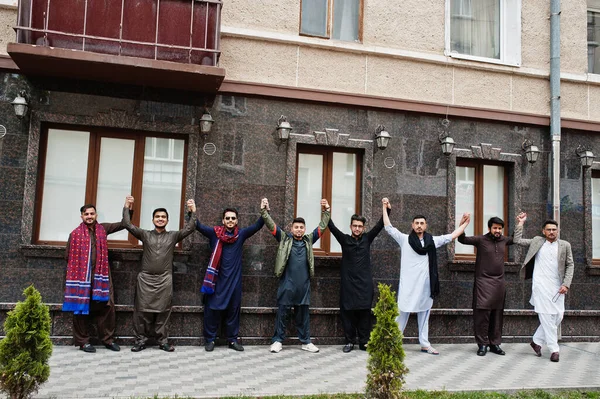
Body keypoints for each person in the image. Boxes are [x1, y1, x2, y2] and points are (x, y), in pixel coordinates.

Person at [383, 198, 469, 355]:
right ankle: (394, 342)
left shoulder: (432, 241)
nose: (419, 226)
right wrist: (384, 207)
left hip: (425, 285)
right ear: (412, 225)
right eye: (416, 223)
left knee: (424, 314)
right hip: (408, 286)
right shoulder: (404, 240)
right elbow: (388, 227)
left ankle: (424, 343)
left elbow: (451, 236)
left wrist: (464, 224)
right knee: (402, 312)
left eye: (422, 223)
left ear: (426, 225)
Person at [122, 195, 197, 352]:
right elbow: (128, 225)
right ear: (153, 219)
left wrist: (193, 212)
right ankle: (140, 340)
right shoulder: (145, 234)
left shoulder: (173, 236)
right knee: (141, 312)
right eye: (157, 216)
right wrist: (127, 207)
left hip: (164, 279)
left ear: (167, 221)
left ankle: (162, 341)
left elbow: (190, 228)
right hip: (145, 280)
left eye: (163, 217)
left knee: (163, 312)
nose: (160, 219)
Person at [261, 197, 330, 353]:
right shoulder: (284, 238)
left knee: (303, 315)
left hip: (303, 285)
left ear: (304, 229)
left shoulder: (309, 240)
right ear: (291, 229)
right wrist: (264, 211)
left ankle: (305, 341)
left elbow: (322, 227)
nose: (299, 229)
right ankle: (278, 340)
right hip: (287, 283)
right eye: (296, 227)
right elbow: (271, 225)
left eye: (301, 227)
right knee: (282, 312)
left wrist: (327, 211)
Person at [63, 203, 132, 353]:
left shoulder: (103, 229)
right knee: (80, 308)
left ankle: (107, 340)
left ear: (96, 215)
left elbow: (124, 224)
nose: (89, 216)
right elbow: (68, 256)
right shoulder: (74, 234)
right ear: (81, 216)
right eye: (86, 214)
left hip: (102, 276)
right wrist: (82, 272)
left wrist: (128, 208)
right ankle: (83, 342)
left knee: (107, 305)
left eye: (92, 214)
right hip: (81, 278)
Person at [196, 203, 264, 352]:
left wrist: (264, 210)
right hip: (216, 281)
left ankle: (232, 340)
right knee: (212, 310)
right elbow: (198, 226)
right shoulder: (214, 233)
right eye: (228, 218)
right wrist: (191, 212)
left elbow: (258, 225)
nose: (230, 220)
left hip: (234, 282)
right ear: (223, 220)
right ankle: (210, 340)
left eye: (233, 218)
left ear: (237, 221)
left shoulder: (241, 235)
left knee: (233, 311)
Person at [513, 214, 574, 363]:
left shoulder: (565, 245)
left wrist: (566, 284)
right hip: (540, 285)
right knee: (547, 316)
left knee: (558, 315)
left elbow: (570, 265)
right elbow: (517, 240)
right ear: (543, 231)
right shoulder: (537, 241)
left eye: (554, 229)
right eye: (549, 230)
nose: (552, 232)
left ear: (558, 231)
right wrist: (520, 223)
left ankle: (536, 341)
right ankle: (554, 350)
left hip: (558, 286)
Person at [328, 207, 389, 353]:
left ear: (364, 228)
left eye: (360, 226)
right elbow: (331, 226)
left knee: (364, 314)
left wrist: (386, 209)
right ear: (350, 226)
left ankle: (363, 342)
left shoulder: (367, 239)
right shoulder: (344, 240)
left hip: (364, 285)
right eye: (355, 226)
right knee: (347, 313)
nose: (357, 228)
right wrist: (326, 210)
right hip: (348, 284)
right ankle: (349, 341)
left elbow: (380, 225)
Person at [457, 216, 514, 356]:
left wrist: (520, 224)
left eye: (500, 228)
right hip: (483, 282)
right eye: (495, 228)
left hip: (499, 282)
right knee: (482, 314)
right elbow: (462, 239)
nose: (497, 231)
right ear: (489, 228)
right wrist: (462, 225)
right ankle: (482, 344)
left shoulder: (504, 240)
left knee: (497, 314)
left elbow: (515, 239)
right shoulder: (481, 240)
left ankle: (495, 344)